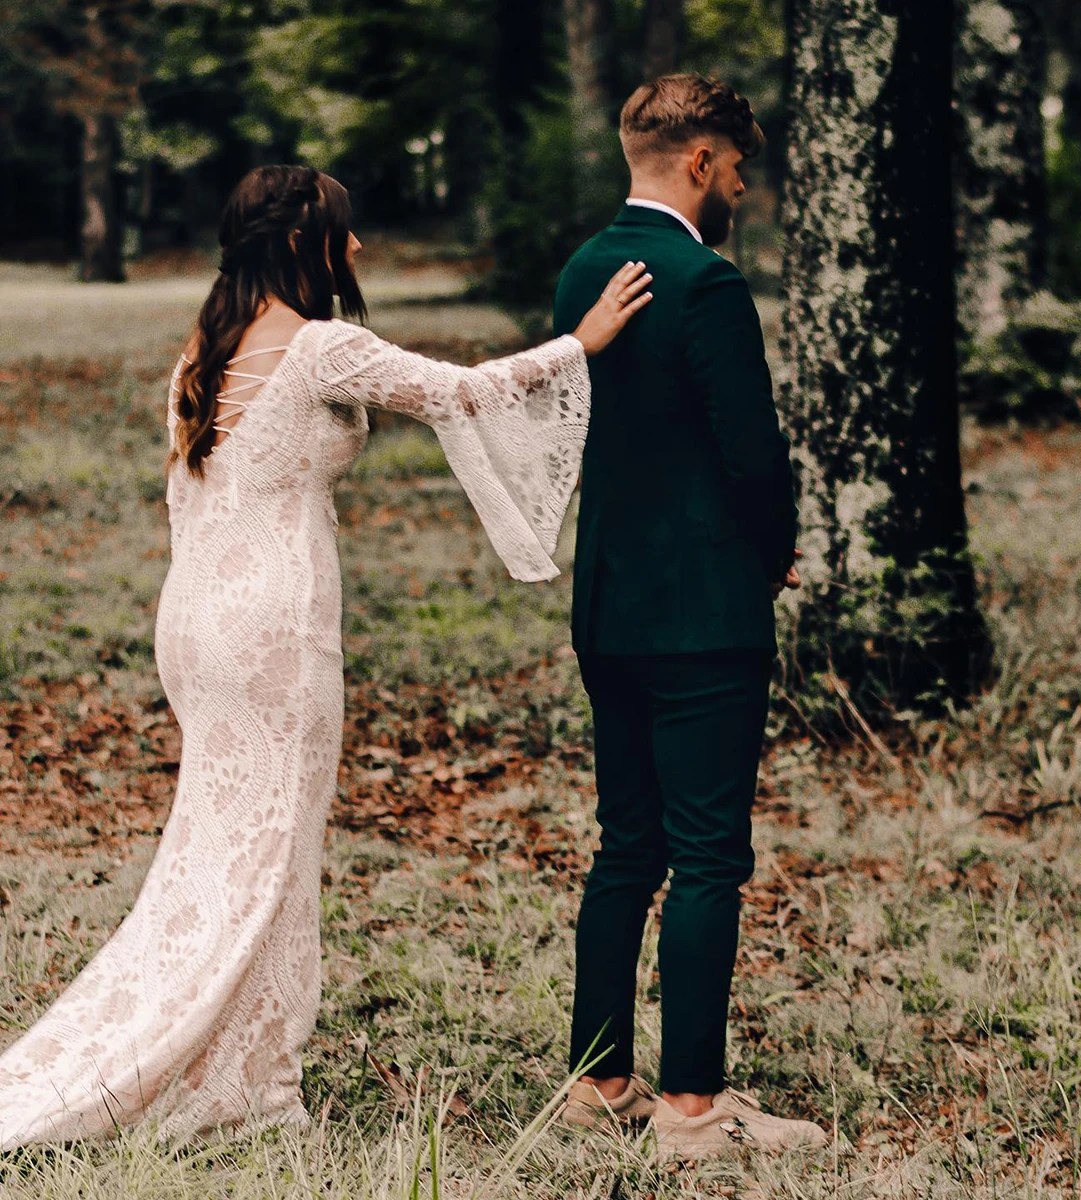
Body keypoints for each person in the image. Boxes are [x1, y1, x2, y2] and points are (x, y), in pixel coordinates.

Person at [0, 164, 650, 1148]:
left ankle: (234, 1062)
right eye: (344, 234)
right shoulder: (317, 349)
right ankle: (245, 1087)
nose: (357, 251)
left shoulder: (201, 352)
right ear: (306, 242)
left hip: (196, 623)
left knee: (219, 854)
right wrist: (580, 344)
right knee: (272, 859)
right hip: (273, 631)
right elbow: (461, 393)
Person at [552, 75, 825, 1158]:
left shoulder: (582, 271)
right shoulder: (705, 284)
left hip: (611, 598)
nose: (744, 183)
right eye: (737, 163)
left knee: (628, 845)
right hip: (704, 609)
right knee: (710, 854)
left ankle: (598, 1082)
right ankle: (696, 1108)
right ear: (700, 162)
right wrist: (775, 552)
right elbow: (749, 450)